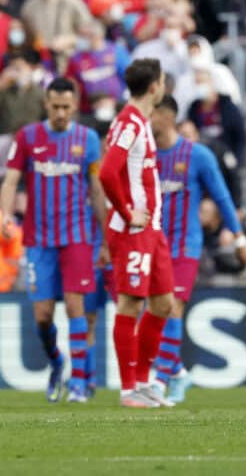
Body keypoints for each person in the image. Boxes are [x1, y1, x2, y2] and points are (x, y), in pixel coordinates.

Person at [0, 78, 105, 403]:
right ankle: (58, 363)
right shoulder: (28, 137)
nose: (61, 113)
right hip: (39, 240)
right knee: (43, 316)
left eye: (66, 107)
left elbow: (97, 189)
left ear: (75, 106)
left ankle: (78, 385)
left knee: (76, 308)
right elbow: (10, 180)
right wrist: (5, 214)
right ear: (46, 104)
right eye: (55, 106)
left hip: (76, 237)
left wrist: (107, 238)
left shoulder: (87, 139)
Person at [151, 95, 246, 403]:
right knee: (156, 311)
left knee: (172, 306)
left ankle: (158, 380)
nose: (145, 119)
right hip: (154, 244)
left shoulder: (198, 155)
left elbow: (222, 198)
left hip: (186, 244)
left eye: (150, 113)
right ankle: (179, 373)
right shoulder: (146, 156)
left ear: (166, 117)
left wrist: (240, 239)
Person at [98, 57, 176, 409]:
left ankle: (144, 382)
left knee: (163, 303)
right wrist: (128, 212)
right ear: (154, 87)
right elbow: (107, 173)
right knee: (131, 302)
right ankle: (128, 389)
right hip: (133, 229)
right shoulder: (129, 122)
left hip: (152, 228)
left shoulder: (139, 121)